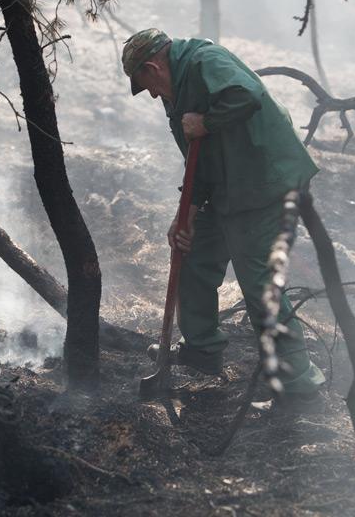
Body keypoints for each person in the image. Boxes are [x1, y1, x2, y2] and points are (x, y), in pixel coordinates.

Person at [122, 28, 326, 405]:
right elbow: (196, 161)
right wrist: (187, 215)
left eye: (146, 84)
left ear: (153, 67)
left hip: (265, 184)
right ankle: (202, 349)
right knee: (193, 254)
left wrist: (208, 122)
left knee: (259, 284)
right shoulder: (177, 95)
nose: (150, 94)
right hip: (229, 188)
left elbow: (247, 94)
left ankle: (299, 382)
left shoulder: (205, 61)